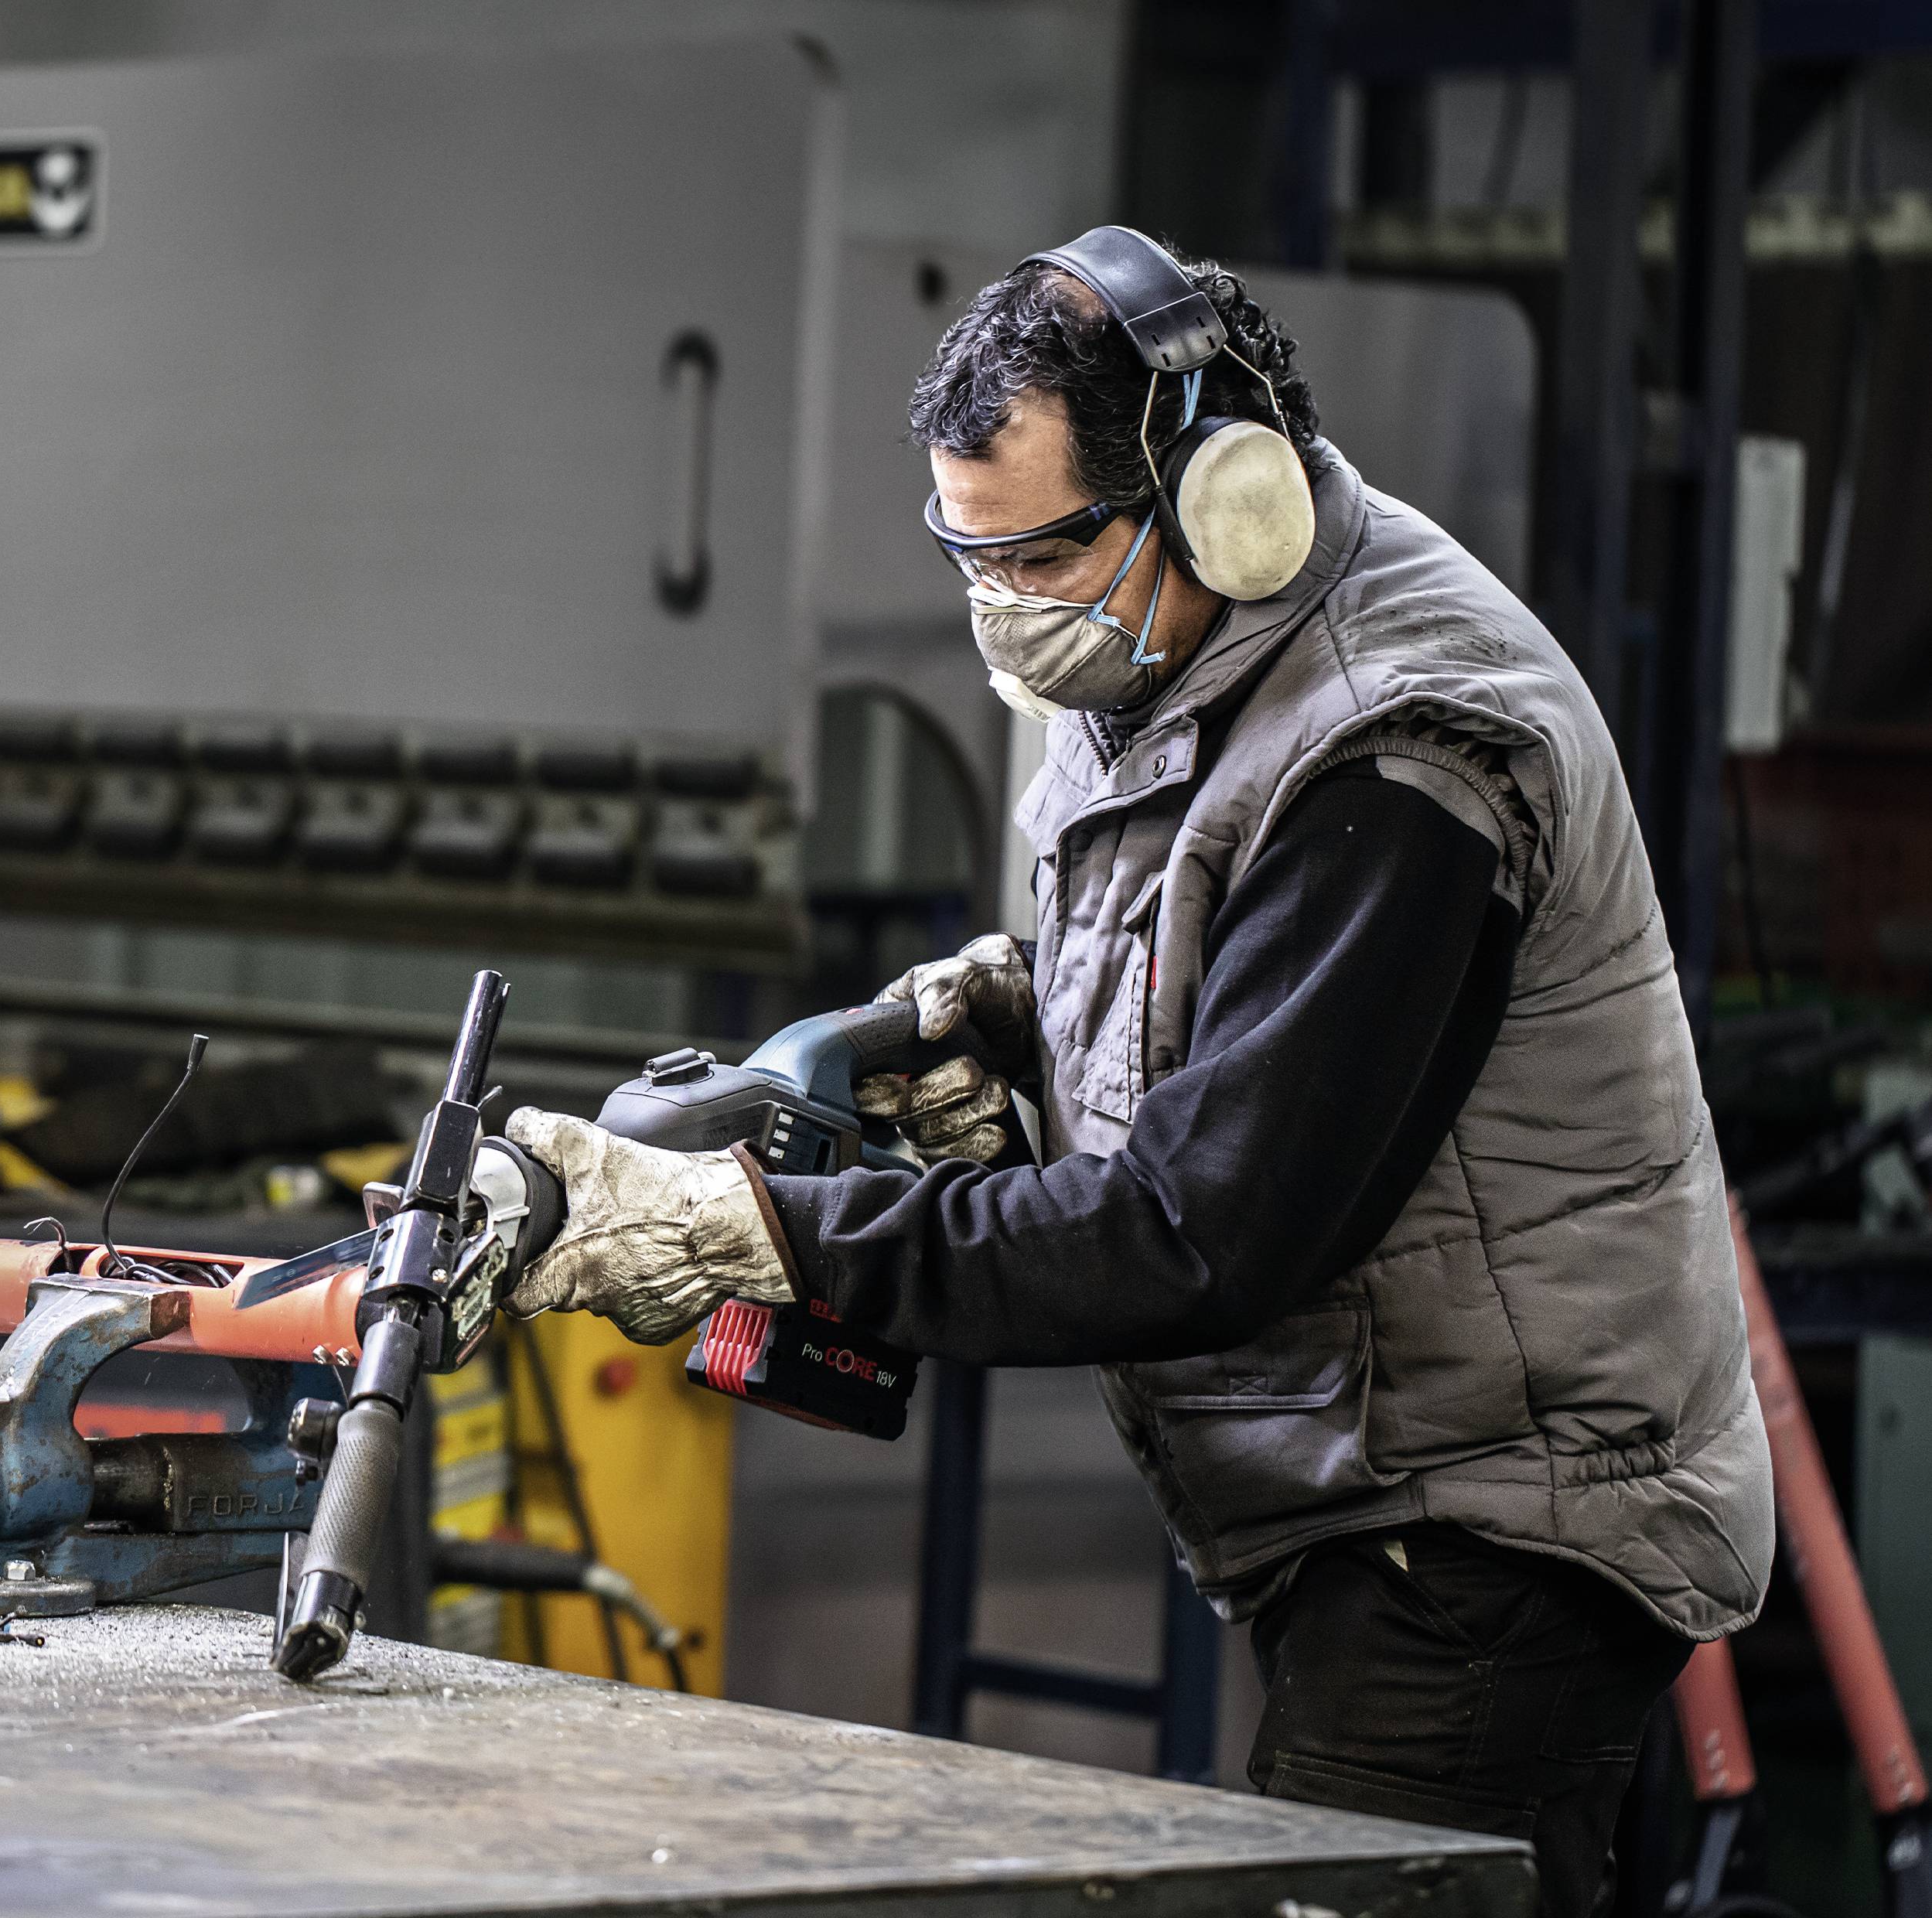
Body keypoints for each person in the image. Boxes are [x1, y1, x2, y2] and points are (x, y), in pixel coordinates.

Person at [501, 228, 1772, 1918]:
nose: (1001, 611)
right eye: (969, 559)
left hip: (1492, 1534)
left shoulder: (1406, 742)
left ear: (1222, 491)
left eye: (1034, 557)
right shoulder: (1162, 641)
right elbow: (1219, 970)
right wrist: (1015, 1022)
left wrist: (764, 1232)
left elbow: (1208, 1227)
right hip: (1369, 1496)